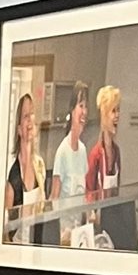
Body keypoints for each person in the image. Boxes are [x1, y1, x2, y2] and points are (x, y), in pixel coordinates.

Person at [2, 92, 45, 244]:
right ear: (19, 129)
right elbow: (5, 229)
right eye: (26, 116)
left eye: (32, 114)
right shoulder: (13, 177)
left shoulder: (39, 166)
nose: (30, 120)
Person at [50, 84, 91, 241]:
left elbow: (85, 194)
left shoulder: (83, 150)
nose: (84, 111)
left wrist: (90, 215)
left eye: (86, 106)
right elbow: (54, 198)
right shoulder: (62, 152)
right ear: (72, 110)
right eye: (81, 106)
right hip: (63, 233)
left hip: (78, 232)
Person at [84, 84, 123, 228]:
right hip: (97, 223)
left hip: (113, 220)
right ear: (104, 115)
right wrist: (92, 216)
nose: (117, 115)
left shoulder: (116, 152)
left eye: (118, 110)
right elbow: (89, 192)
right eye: (113, 111)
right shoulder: (95, 155)